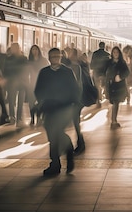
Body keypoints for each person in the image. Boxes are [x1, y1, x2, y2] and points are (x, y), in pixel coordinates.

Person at [35, 48, 81, 176]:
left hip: (64, 108)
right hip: (49, 109)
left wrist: (74, 104)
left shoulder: (67, 72)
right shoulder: (44, 73)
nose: (55, 58)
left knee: (56, 133)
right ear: (49, 58)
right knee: (52, 135)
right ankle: (66, 153)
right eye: (53, 56)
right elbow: (38, 90)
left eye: (57, 56)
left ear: (61, 57)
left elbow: (75, 89)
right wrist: (42, 102)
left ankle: (55, 163)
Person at [65, 47, 89, 155]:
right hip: (74, 99)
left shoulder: (75, 67)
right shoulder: (75, 66)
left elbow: (77, 83)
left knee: (75, 122)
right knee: (75, 122)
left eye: (70, 53)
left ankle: (80, 143)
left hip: (74, 99)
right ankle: (80, 143)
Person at [104, 46, 129, 128]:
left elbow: (127, 72)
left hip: (119, 86)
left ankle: (114, 121)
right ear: (112, 53)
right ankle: (113, 121)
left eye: (117, 52)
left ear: (119, 53)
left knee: (116, 102)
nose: (115, 54)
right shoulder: (108, 62)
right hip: (111, 85)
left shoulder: (122, 63)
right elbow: (105, 72)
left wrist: (120, 77)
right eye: (114, 52)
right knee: (114, 102)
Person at [4, 42, 28, 126]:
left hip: (17, 81)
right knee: (13, 100)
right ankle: (15, 117)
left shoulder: (22, 58)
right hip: (15, 81)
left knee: (17, 100)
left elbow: (7, 70)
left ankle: (16, 118)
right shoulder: (22, 58)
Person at [27, 45, 49, 127]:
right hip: (31, 84)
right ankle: (32, 119)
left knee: (41, 102)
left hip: (41, 84)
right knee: (31, 102)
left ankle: (39, 117)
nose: (35, 51)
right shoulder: (29, 61)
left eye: (36, 49)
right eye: (33, 49)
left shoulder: (43, 60)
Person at [90, 42, 110, 108]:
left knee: (97, 87)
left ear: (99, 46)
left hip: (97, 72)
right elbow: (109, 65)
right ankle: (106, 98)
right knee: (105, 86)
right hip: (104, 73)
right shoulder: (107, 54)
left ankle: (98, 101)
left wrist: (92, 68)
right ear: (104, 46)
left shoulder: (95, 54)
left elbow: (92, 62)